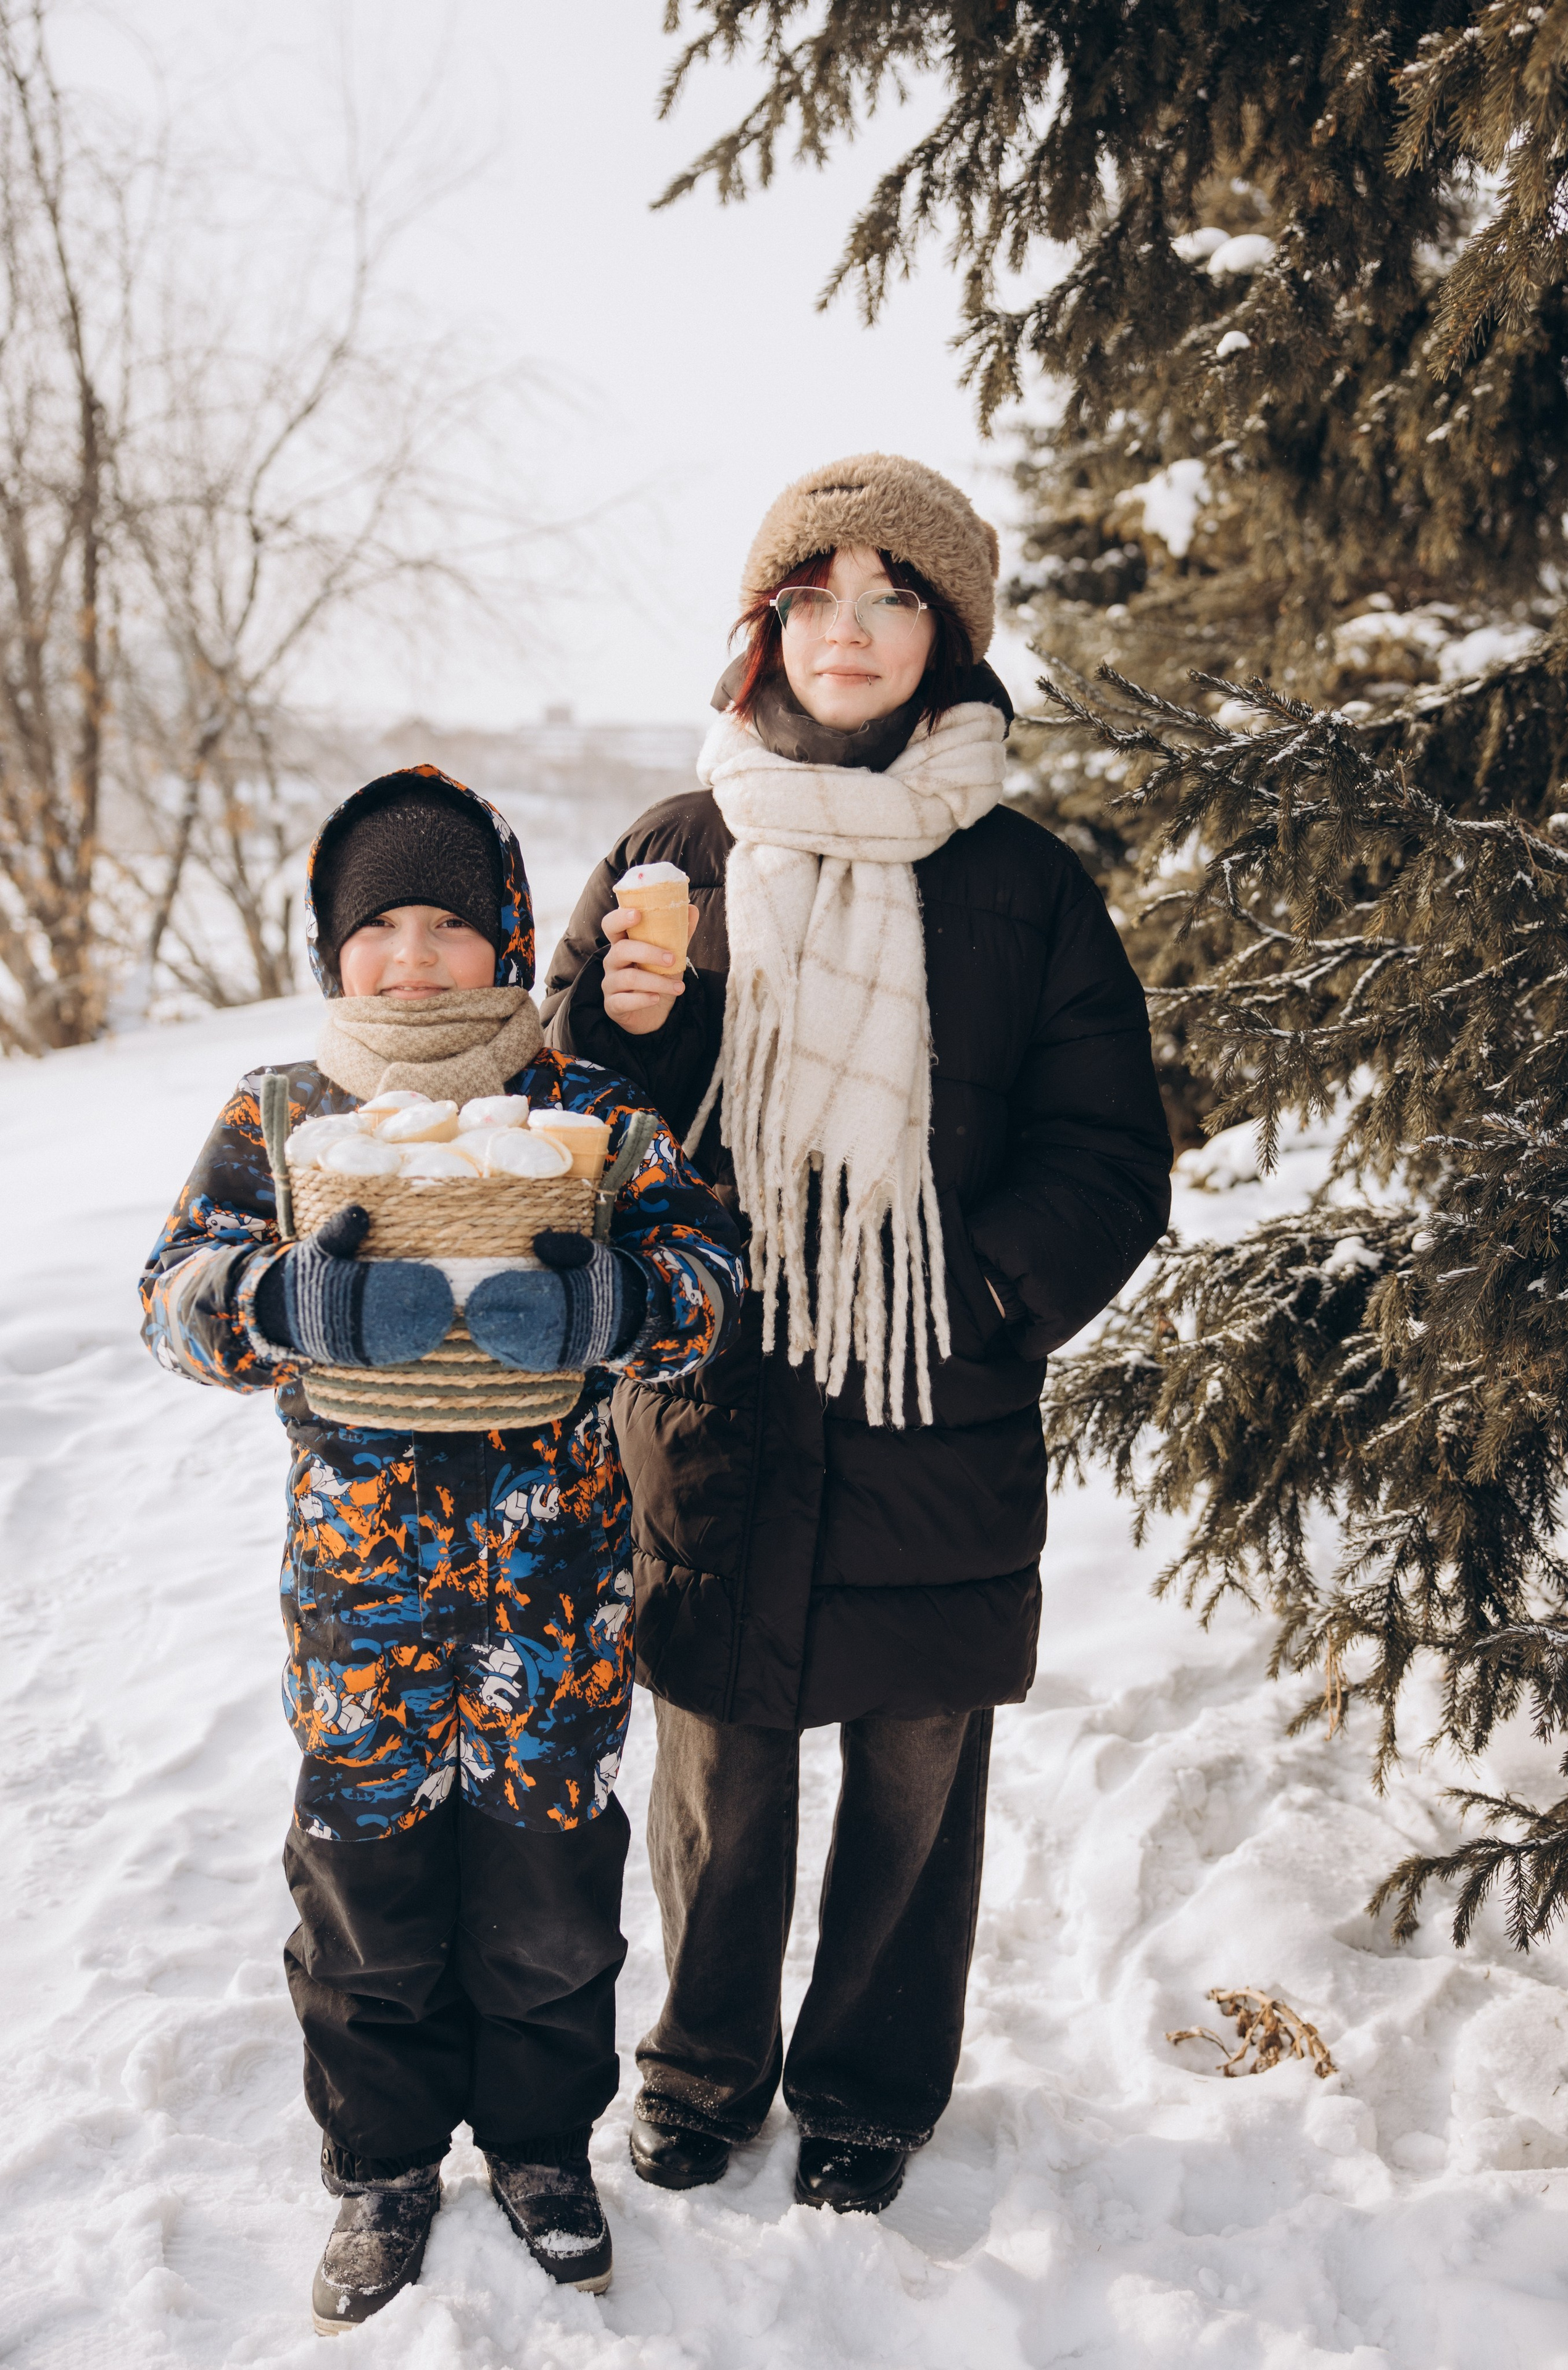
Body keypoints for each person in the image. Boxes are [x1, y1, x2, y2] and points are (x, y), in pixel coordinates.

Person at [541, 452, 1174, 2215]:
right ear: (763, 629)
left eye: (892, 597)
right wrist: (621, 1025)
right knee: (720, 1763)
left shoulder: (1029, 884)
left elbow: (1111, 1151)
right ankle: (700, 2068)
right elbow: (576, 1129)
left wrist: (971, 1292)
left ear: (946, 638)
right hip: (724, 1400)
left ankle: (873, 2088)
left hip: (932, 1398)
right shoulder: (677, 850)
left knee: (915, 1772)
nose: (849, 628)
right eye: (814, 596)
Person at [139, 767, 744, 2332]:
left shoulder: (586, 1111)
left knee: (551, 1897)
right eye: (379, 927)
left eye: (452, 927)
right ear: (334, 949)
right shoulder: (281, 1112)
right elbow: (172, 1289)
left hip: (555, 1602)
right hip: (359, 1603)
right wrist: (276, 1304)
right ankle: (384, 2163)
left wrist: (623, 1305)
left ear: (510, 939)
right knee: (366, 1897)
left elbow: (708, 1271)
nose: (414, 957)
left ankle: (543, 2149)